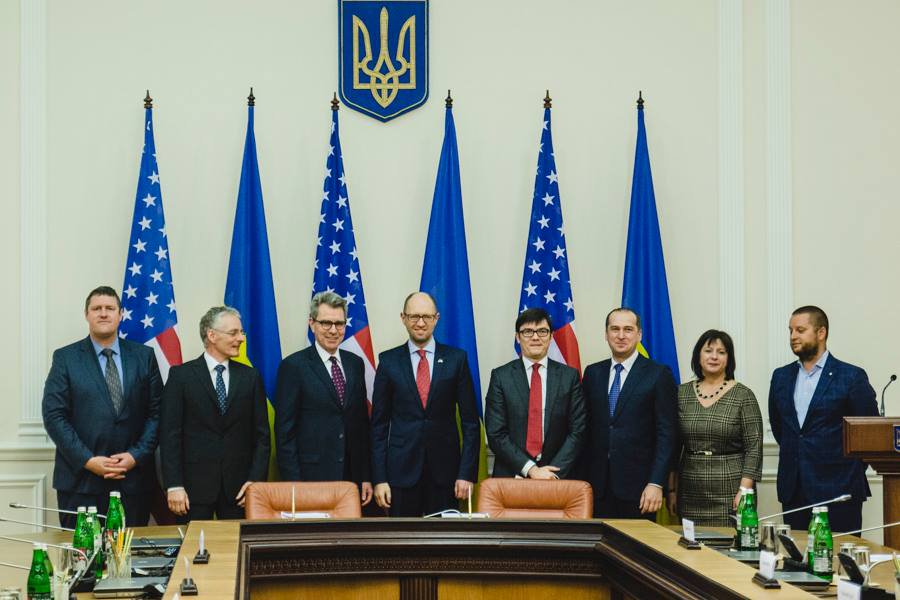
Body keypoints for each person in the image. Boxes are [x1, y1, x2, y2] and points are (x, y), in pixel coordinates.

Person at [42, 286, 162, 528]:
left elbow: (157, 412)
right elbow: (54, 415)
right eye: (97, 308)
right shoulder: (65, 358)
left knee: (128, 551)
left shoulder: (144, 356)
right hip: (80, 483)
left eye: (110, 308)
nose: (104, 313)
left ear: (121, 314)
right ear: (86, 315)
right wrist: (87, 460)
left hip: (133, 482)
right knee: (82, 551)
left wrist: (135, 456)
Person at [768, 305, 878, 532]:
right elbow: (781, 428)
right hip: (794, 490)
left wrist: (849, 472)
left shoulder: (851, 376)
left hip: (839, 491)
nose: (793, 336)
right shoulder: (781, 377)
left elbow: (868, 433)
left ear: (821, 333)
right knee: (797, 553)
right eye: (790, 330)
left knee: (839, 553)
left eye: (800, 330)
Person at [371, 292, 480, 516]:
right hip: (400, 475)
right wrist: (380, 479)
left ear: (436, 318)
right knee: (403, 537)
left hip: (446, 475)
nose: (420, 323)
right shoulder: (388, 361)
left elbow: (470, 423)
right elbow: (378, 426)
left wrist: (466, 473)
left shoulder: (456, 360)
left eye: (427, 317)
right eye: (414, 316)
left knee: (444, 538)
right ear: (403, 318)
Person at [160, 306, 270, 522]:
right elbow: (170, 435)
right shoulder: (181, 376)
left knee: (237, 543)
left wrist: (255, 481)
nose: (241, 338)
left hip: (239, 491)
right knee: (192, 544)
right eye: (233, 333)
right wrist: (174, 485)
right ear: (211, 335)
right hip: (192, 490)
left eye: (241, 332)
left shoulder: (250, 377)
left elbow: (262, 436)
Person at [274, 292, 372, 506]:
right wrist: (294, 484)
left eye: (339, 323)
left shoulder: (355, 364)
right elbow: (285, 433)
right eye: (326, 323)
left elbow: (361, 424)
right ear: (312, 323)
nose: (333, 330)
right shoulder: (293, 366)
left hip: (352, 477)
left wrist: (366, 475)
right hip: (310, 477)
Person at [583, 307, 678, 519]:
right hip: (597, 487)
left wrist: (656, 482)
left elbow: (667, 434)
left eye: (628, 329)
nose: (621, 335)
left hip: (640, 489)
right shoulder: (593, 373)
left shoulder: (658, 374)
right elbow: (585, 429)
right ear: (606, 334)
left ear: (639, 334)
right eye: (614, 329)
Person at [666, 330, 763, 526]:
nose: (714, 357)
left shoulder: (743, 395)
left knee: (729, 542)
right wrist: (672, 490)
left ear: (729, 359)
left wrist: (744, 491)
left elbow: (754, 448)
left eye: (721, 352)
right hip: (690, 490)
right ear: (698, 355)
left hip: (731, 489)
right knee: (690, 543)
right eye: (708, 350)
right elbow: (673, 447)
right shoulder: (681, 393)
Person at [485, 308, 585, 479]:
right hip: (512, 476)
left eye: (542, 331)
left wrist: (552, 473)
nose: (535, 337)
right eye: (528, 332)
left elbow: (577, 431)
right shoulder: (501, 377)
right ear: (517, 337)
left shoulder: (569, 377)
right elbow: (496, 433)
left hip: (557, 477)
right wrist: (531, 470)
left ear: (551, 336)